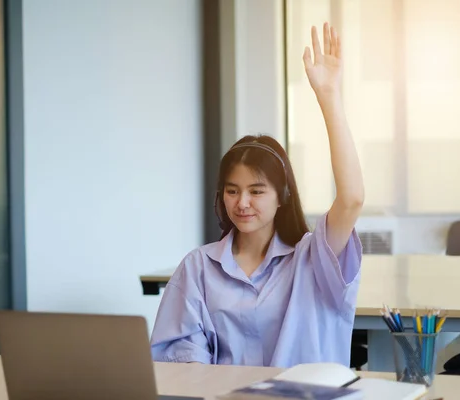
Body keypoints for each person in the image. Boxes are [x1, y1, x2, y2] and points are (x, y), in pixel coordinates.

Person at [150, 22, 365, 367]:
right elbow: (181, 364)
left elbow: (352, 197)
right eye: (232, 191)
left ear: (282, 196)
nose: (242, 202)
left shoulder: (313, 259)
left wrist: (329, 97)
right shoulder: (198, 267)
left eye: (256, 191)